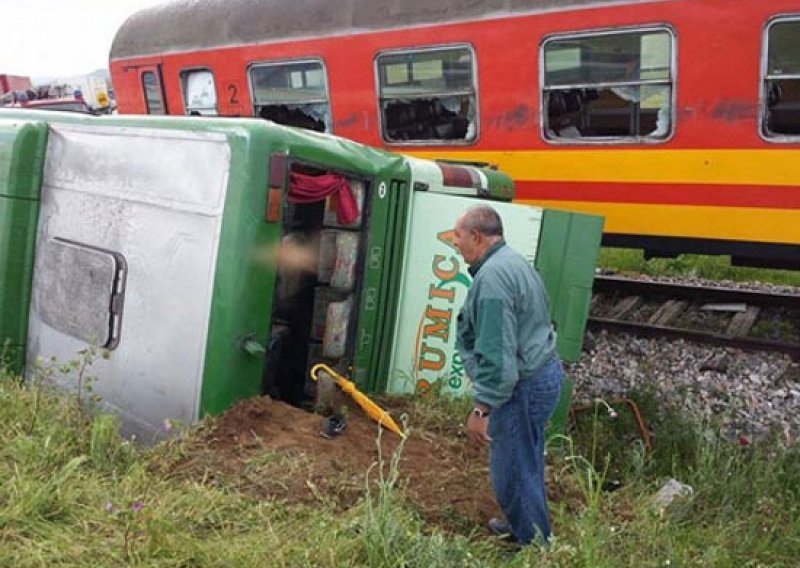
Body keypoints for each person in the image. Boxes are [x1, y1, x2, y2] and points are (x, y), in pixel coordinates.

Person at [453, 204, 563, 546]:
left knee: (511, 470)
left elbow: (499, 358)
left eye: (457, 236)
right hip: (539, 374)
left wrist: (481, 410)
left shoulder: (494, 281)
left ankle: (532, 545)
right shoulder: (510, 261)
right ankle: (525, 527)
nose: (454, 243)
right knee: (524, 461)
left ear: (476, 236)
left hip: (522, 387)